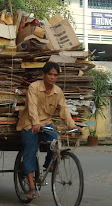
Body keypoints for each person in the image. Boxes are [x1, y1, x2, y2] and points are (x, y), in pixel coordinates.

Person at [16, 62, 81, 199]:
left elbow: (64, 109)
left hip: (46, 123)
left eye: (55, 75)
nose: (52, 77)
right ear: (43, 75)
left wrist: (72, 126)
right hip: (29, 123)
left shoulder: (58, 91)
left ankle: (48, 165)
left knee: (55, 141)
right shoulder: (34, 87)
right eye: (50, 74)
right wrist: (35, 122)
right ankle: (32, 187)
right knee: (31, 149)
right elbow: (32, 106)